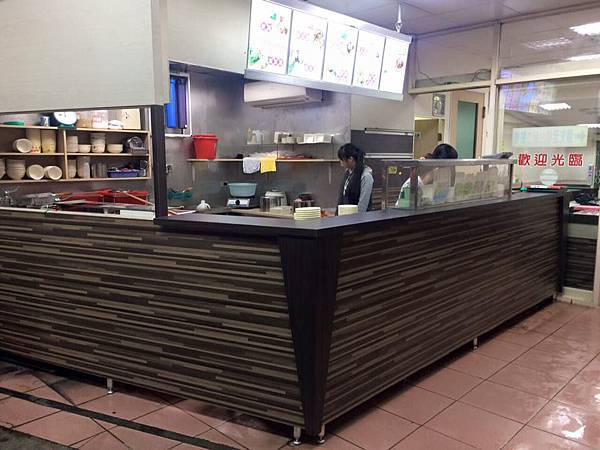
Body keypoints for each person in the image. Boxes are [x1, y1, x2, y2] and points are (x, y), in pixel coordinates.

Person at [395, 143, 458, 208]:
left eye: (453, 166)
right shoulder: (410, 185)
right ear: (438, 165)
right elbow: (404, 208)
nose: (452, 170)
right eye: (451, 166)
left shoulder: (440, 181)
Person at [338, 143, 374, 213]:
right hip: (347, 216)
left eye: (341, 159)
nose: (340, 162)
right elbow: (342, 197)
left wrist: (356, 218)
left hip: (360, 218)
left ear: (350, 159)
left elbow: (362, 206)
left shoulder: (366, 176)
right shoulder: (348, 173)